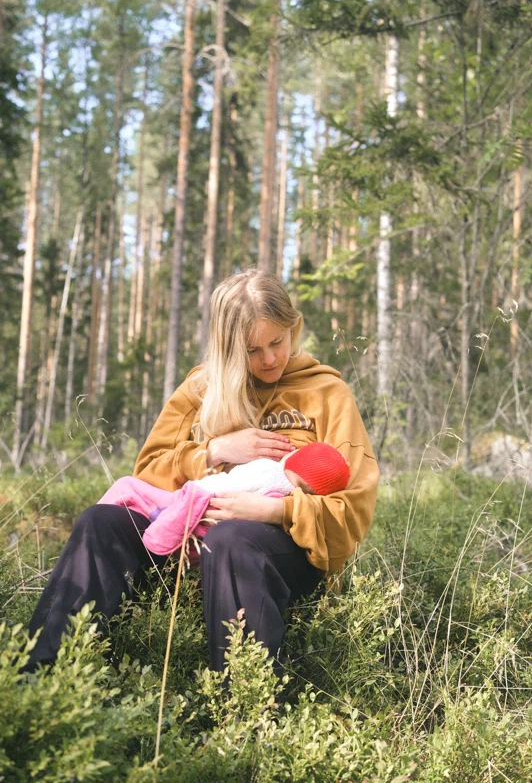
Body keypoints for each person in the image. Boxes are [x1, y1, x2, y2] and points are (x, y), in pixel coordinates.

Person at [25, 269, 379, 673]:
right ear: (227, 348)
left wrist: (274, 511)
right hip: (180, 544)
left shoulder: (326, 394)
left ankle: (246, 709)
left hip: (275, 554)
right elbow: (147, 474)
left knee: (232, 537)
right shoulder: (199, 390)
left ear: (292, 328)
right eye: (251, 350)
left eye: (277, 342)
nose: (268, 359)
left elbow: (353, 510)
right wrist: (212, 451)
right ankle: (44, 679)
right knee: (99, 522)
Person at [96, 442, 352, 560]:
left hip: (196, 501)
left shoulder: (268, 472)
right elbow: (151, 464)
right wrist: (211, 452)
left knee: (125, 486)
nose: (269, 359)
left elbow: (228, 486)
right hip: (210, 527)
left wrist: (195, 489)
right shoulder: (283, 491)